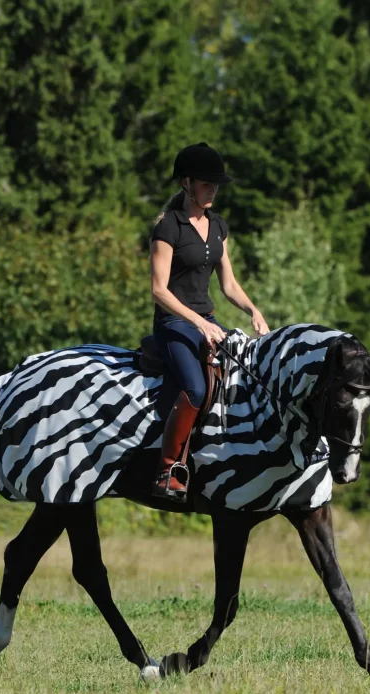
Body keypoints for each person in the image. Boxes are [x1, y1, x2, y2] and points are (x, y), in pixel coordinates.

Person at [150, 142, 269, 502]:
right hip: (174, 323)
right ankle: (168, 469)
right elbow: (159, 290)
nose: (213, 190)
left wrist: (253, 310)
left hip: (210, 321)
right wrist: (198, 323)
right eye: (206, 183)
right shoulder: (168, 227)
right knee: (197, 389)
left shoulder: (219, 226)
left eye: (216, 184)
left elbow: (228, 284)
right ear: (186, 183)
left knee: (241, 384)